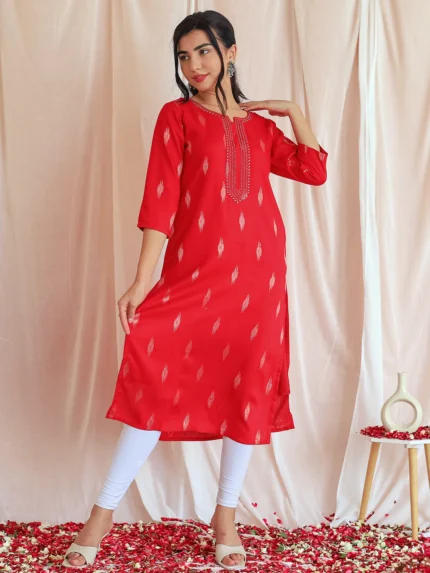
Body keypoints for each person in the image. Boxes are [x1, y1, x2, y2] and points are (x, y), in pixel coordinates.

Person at [62, 9, 328, 571]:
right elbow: (160, 200)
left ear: (230, 52)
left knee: (245, 388)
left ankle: (224, 518)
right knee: (154, 373)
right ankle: (101, 514)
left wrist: (292, 112)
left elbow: (313, 170)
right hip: (194, 276)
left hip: (258, 280)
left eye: (204, 51)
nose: (193, 65)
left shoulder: (261, 130)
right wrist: (143, 279)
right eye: (184, 56)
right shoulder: (177, 116)